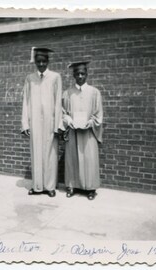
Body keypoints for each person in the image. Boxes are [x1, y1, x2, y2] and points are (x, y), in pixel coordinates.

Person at [21, 47, 63, 197]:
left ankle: (50, 187)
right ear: (35, 63)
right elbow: (26, 101)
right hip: (35, 122)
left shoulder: (55, 77)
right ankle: (37, 186)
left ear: (48, 61)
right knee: (36, 153)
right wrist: (25, 123)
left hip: (50, 122)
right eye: (38, 61)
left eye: (44, 61)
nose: (41, 64)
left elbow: (58, 101)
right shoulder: (30, 78)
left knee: (50, 153)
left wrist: (59, 124)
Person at [62, 61, 103, 200]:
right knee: (72, 159)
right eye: (77, 73)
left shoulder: (94, 92)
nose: (80, 76)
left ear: (87, 74)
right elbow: (63, 112)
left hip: (88, 133)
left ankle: (91, 188)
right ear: (73, 75)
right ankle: (72, 186)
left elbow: (98, 114)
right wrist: (69, 121)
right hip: (73, 132)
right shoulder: (67, 93)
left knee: (89, 159)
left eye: (82, 73)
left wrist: (90, 122)